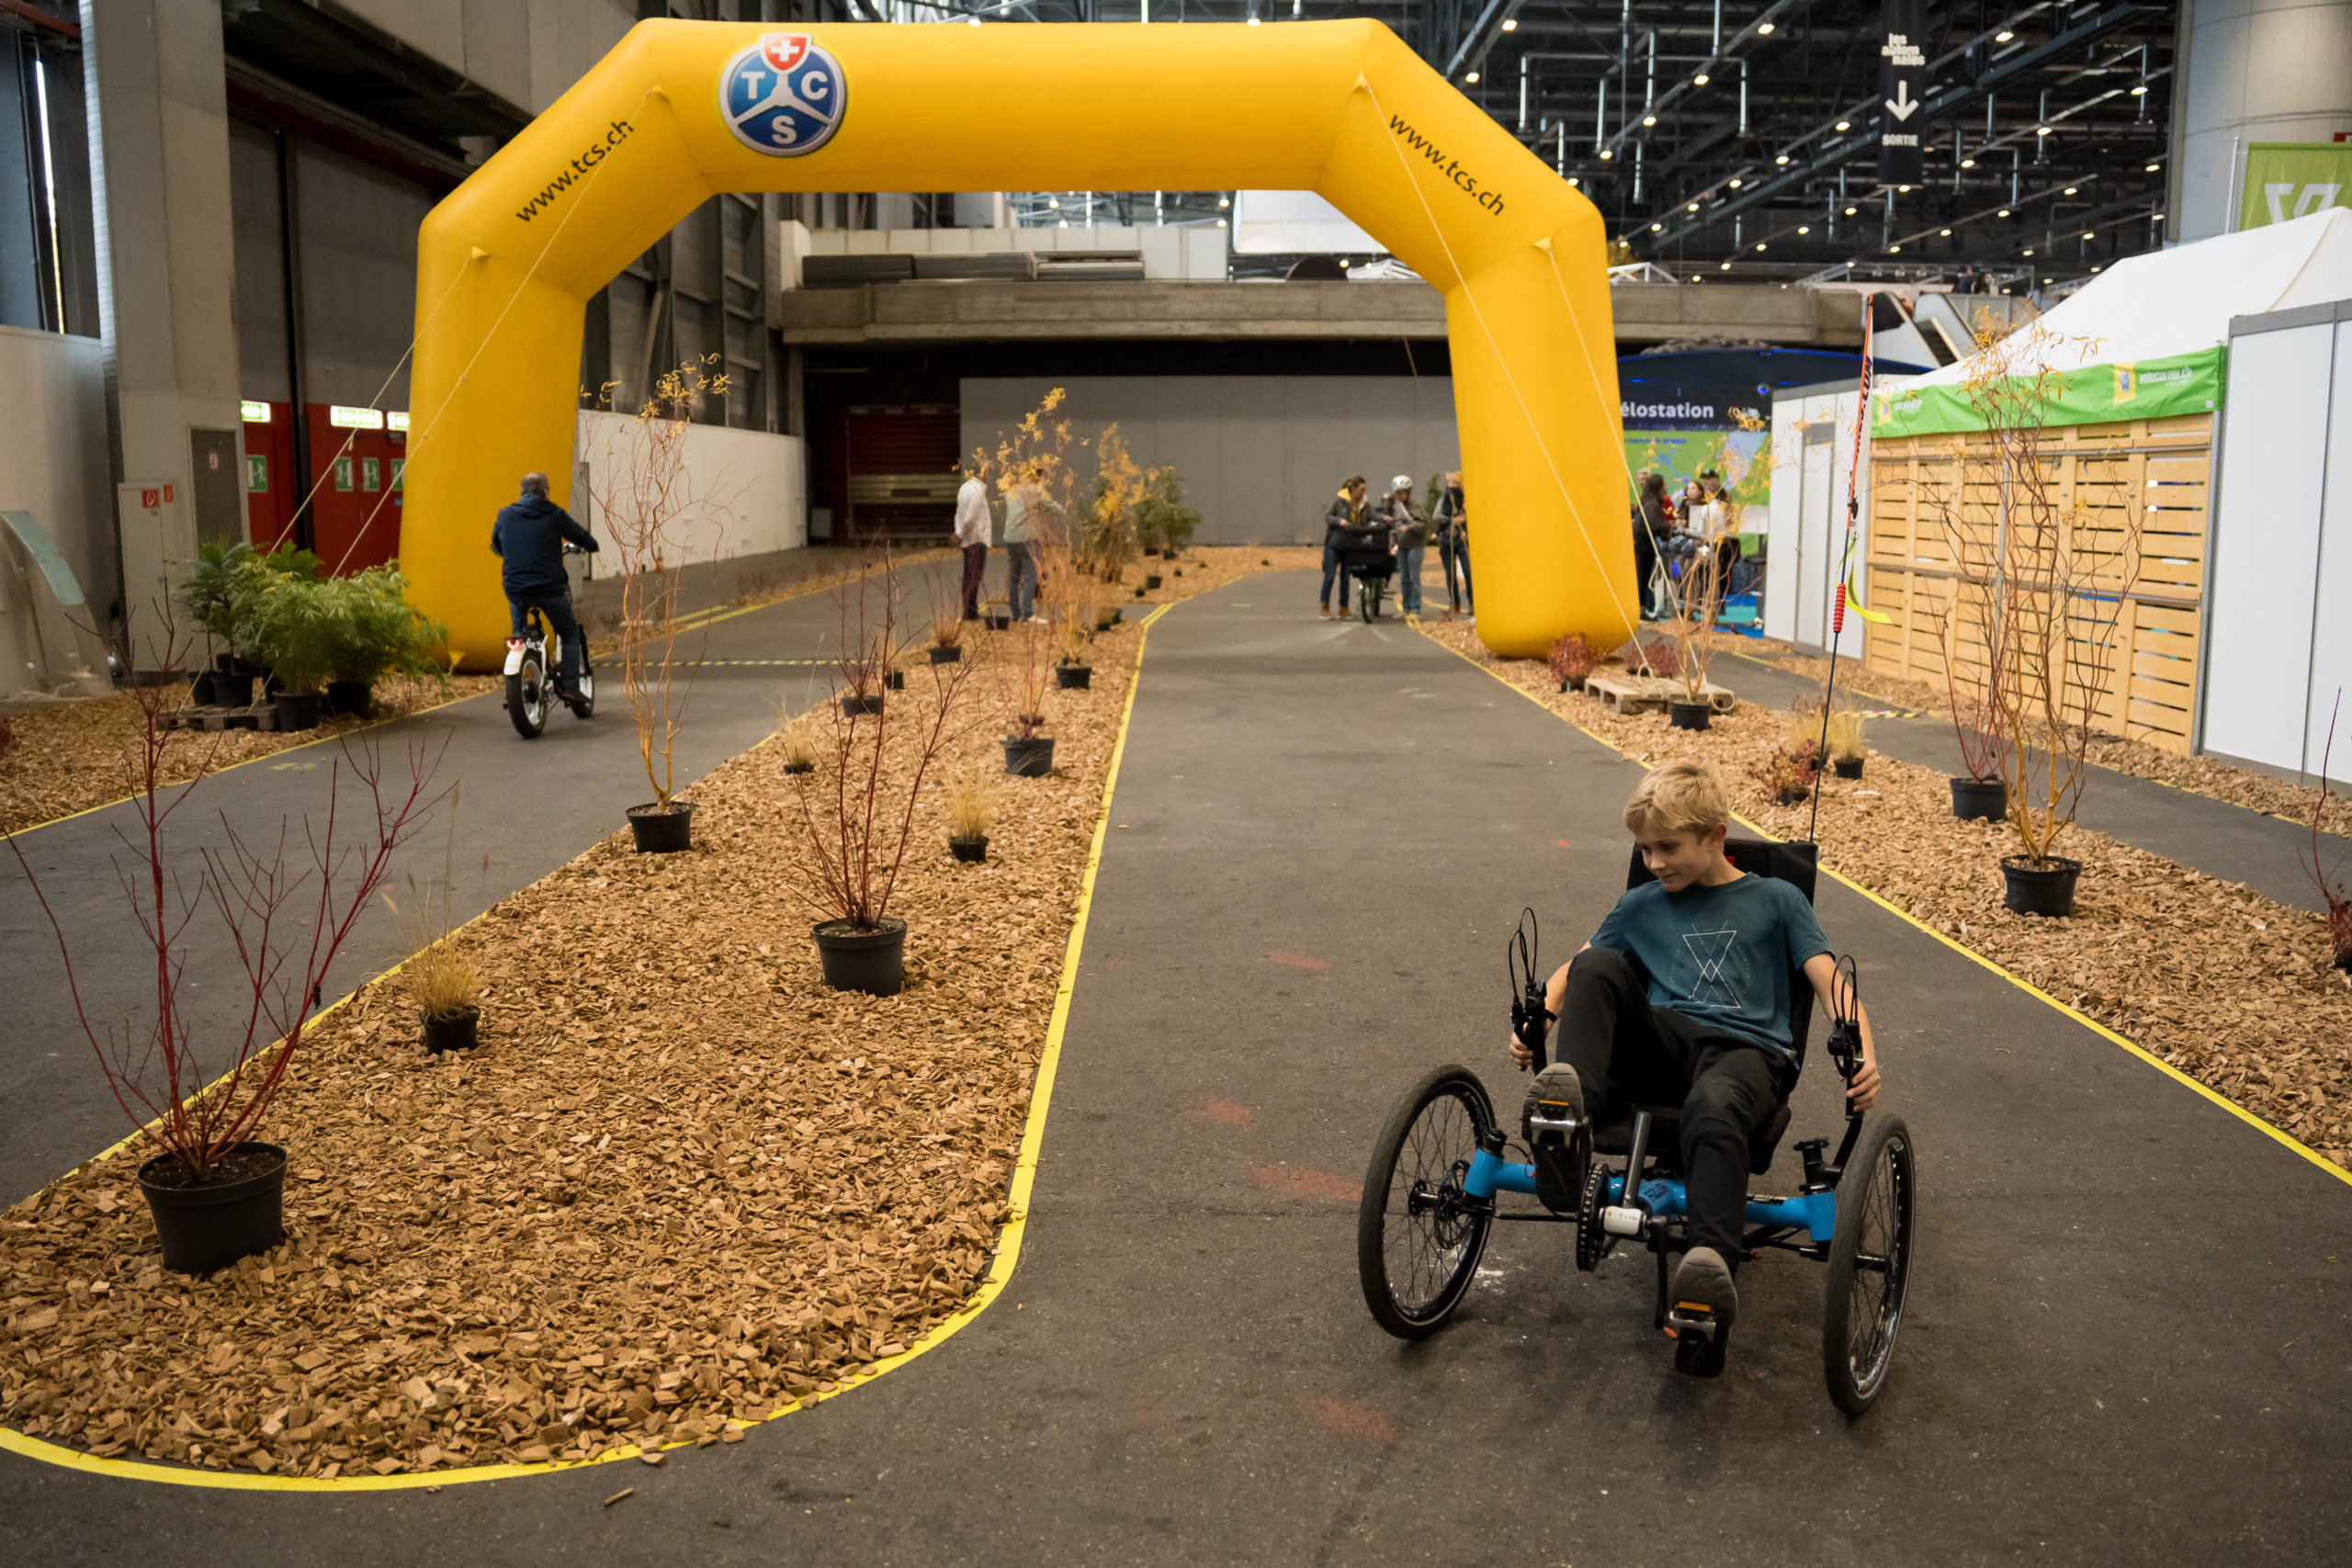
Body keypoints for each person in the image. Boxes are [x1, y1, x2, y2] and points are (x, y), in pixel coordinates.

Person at [1509, 760, 1881, 1337]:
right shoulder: (1641, 904)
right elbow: (1574, 969)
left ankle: (1708, 1273)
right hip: (1664, 1047)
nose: (1653, 862)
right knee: (1597, 963)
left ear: (1715, 836)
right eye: (1644, 849)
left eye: (1667, 847)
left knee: (1713, 1105)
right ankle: (1566, 1125)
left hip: (1746, 1052)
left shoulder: (1777, 899)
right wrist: (1540, 1019)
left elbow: (1830, 981)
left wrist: (1863, 1053)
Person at [491, 471, 597, 700]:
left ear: (521, 493)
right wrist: (592, 545)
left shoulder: (505, 515)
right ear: (546, 492)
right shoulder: (554, 514)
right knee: (569, 633)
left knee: (518, 636)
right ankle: (570, 686)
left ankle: (520, 657)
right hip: (549, 589)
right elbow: (581, 536)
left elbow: (496, 544)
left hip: (516, 589)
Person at [1374, 474, 1430, 619]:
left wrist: (1409, 527)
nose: (1399, 496)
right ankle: (1406, 608)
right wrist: (1393, 538)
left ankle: (1415, 609)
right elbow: (1396, 524)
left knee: (1414, 578)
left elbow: (1425, 525)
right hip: (1402, 546)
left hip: (1415, 546)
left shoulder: (1417, 506)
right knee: (1404, 579)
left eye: (1401, 493)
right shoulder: (1398, 507)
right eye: (1397, 493)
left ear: (1408, 491)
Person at [1001, 465, 1046, 622]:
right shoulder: (1033, 489)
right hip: (1027, 536)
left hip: (1010, 537)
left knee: (1014, 577)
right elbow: (1044, 504)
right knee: (1030, 577)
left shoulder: (1012, 489)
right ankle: (1028, 613)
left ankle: (1016, 614)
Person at [1320, 476, 1369, 618]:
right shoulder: (1340, 501)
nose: (1363, 492)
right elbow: (1327, 516)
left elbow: (1372, 515)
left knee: (1345, 577)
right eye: (1361, 489)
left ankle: (1344, 606)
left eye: (1365, 490)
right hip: (1333, 545)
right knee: (1330, 576)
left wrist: (1383, 518)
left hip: (1349, 546)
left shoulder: (1363, 504)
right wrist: (1339, 521)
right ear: (1353, 489)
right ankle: (1324, 606)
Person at [953, 465, 991, 620]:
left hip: (968, 539)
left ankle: (969, 609)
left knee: (969, 574)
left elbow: (959, 513)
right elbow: (970, 517)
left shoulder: (964, 488)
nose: (988, 476)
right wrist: (961, 533)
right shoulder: (978, 491)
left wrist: (958, 532)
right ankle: (970, 611)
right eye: (986, 473)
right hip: (976, 538)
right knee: (974, 575)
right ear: (980, 474)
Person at [1432, 470, 1472, 618]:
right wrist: (1451, 520)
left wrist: (1465, 517)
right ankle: (1454, 603)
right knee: (1450, 573)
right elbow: (1436, 516)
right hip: (1447, 538)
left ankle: (1473, 602)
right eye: (1449, 483)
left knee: (1468, 571)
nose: (1451, 486)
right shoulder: (1444, 500)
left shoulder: (1466, 499)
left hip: (1462, 538)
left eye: (1455, 482)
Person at [1632, 472, 1668, 619]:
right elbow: (1653, 525)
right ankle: (1641, 608)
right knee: (1645, 575)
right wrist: (1668, 526)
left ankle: (1642, 607)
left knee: (1644, 575)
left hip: (1643, 541)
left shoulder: (1646, 501)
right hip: (1646, 542)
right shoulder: (1653, 504)